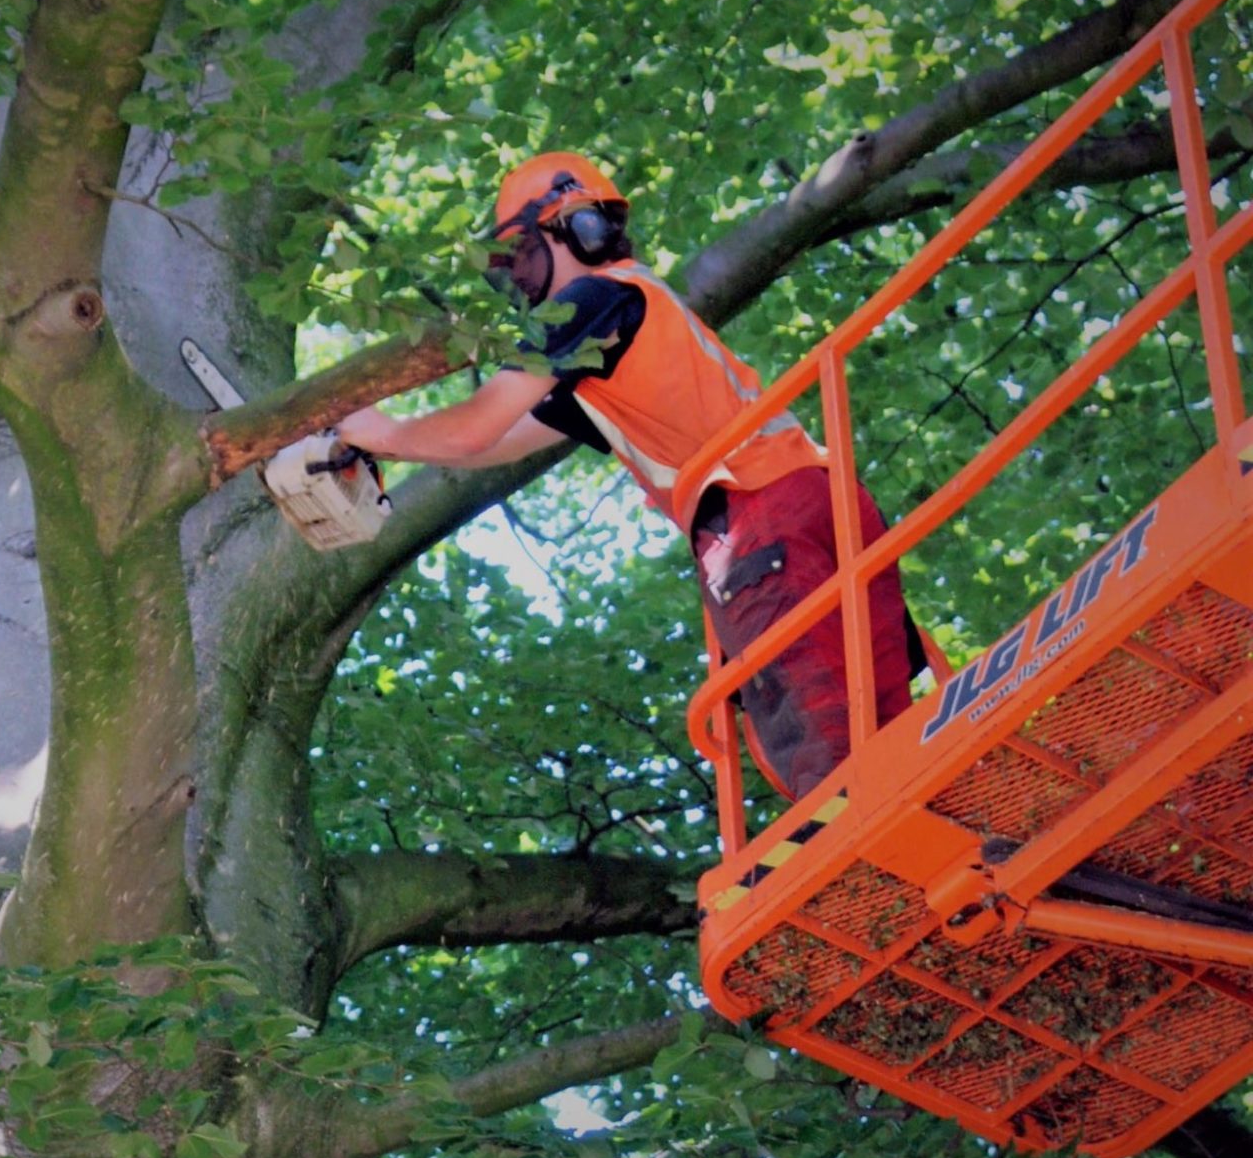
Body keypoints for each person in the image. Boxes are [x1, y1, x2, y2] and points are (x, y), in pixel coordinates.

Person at [338, 152, 924, 802]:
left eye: (524, 255)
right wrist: (392, 445)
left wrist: (381, 431)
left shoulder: (593, 299)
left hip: (756, 516)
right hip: (826, 498)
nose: (521, 282)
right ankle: (939, 819)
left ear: (574, 228)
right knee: (886, 721)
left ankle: (855, 830)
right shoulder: (623, 327)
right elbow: (501, 441)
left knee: (822, 732)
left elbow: (479, 425)